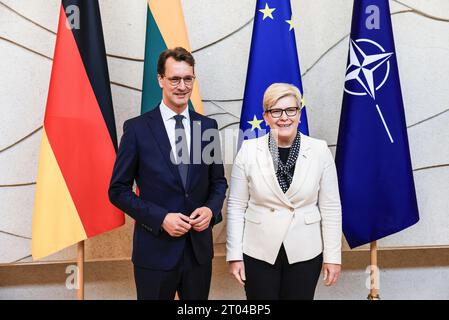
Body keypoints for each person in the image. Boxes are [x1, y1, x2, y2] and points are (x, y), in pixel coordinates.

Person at [109, 47, 227, 300]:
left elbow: (218, 182)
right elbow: (117, 190)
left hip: (198, 253)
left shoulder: (208, 127)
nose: (182, 86)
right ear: (160, 79)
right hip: (154, 251)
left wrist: (210, 209)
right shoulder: (137, 129)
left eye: (188, 79)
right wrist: (161, 218)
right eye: (175, 79)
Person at [226, 83, 342, 300]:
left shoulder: (319, 150)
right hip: (258, 251)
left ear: (299, 114)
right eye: (276, 111)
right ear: (266, 116)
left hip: (305, 251)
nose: (284, 117)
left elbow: (331, 208)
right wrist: (234, 255)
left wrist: (333, 257)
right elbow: (235, 206)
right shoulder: (249, 151)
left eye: (291, 110)